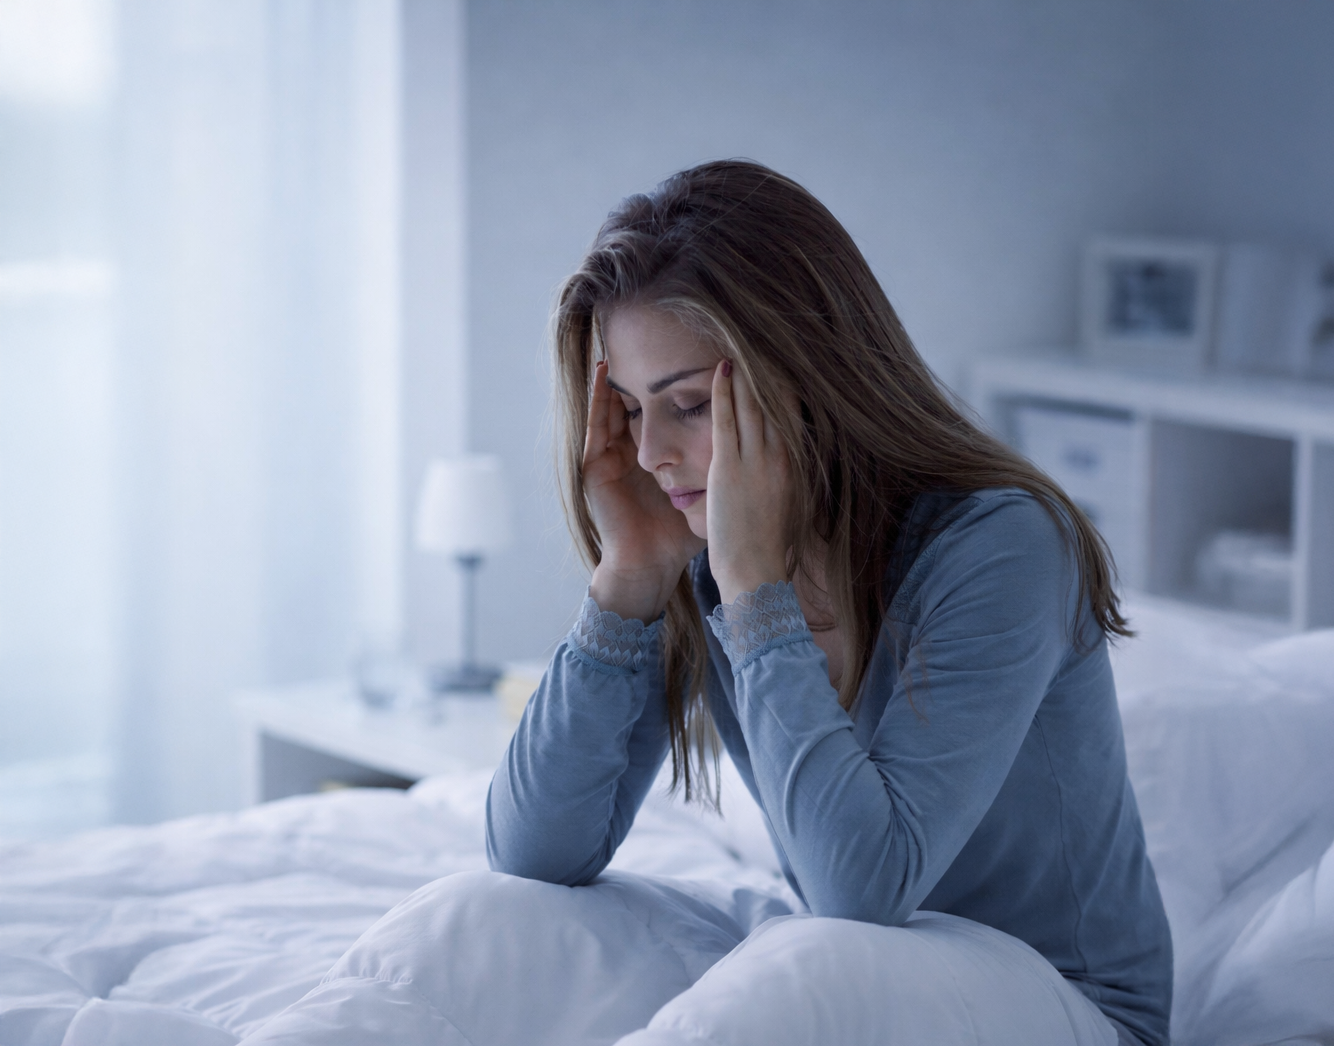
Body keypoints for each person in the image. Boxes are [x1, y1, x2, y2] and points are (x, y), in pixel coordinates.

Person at [481, 160, 1173, 1046]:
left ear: (808, 377)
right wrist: (628, 576)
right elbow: (532, 857)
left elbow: (863, 892)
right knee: (489, 923)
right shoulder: (697, 553)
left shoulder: (1003, 543)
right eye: (626, 410)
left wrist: (755, 589)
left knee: (800, 968)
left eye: (689, 405)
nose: (649, 453)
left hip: (1070, 1004)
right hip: (872, 971)